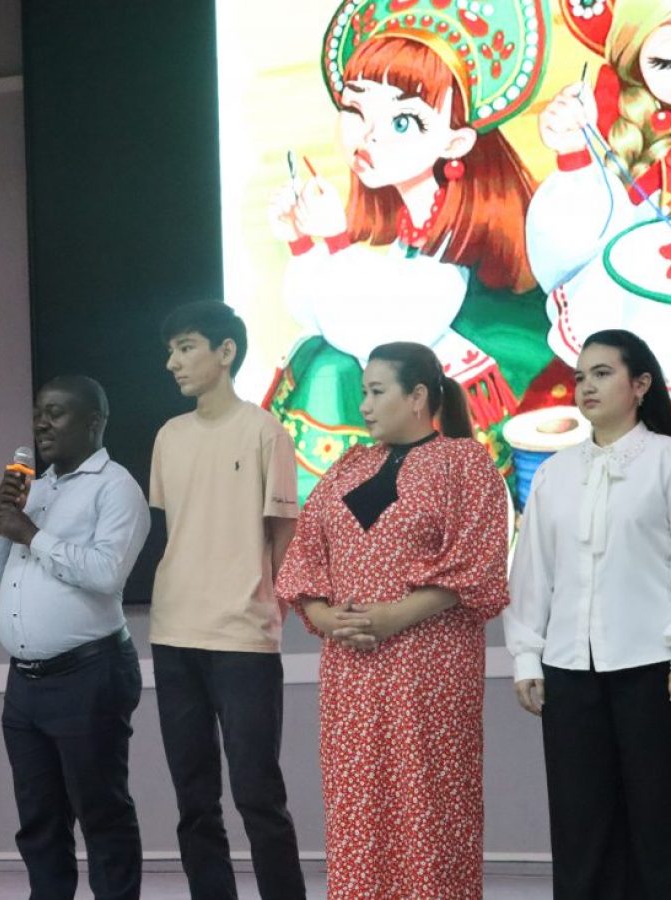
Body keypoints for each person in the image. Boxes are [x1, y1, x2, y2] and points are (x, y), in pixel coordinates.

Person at [268, 0, 569, 504]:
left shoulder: (458, 229)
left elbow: (388, 333)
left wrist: (335, 243)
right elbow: (333, 316)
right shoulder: (407, 214)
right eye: (355, 110)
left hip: (484, 353)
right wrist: (302, 242)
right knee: (323, 359)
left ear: (456, 142)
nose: (368, 136)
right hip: (411, 343)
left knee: (333, 373)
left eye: (403, 121)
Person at [276, 341, 510, 899]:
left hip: (431, 667)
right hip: (352, 671)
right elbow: (304, 559)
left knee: (429, 799)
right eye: (363, 392)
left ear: (418, 396)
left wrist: (392, 617)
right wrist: (326, 617)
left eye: (377, 391)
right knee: (358, 798)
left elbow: (479, 564)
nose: (364, 405)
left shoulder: (465, 463)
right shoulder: (347, 467)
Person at [504, 329, 671, 898]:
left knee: (658, 823)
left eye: (602, 373)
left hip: (653, 668)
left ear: (640, 384)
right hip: (570, 672)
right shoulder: (555, 472)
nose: (585, 387)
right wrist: (527, 657)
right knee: (580, 825)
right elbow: (533, 571)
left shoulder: (664, 461)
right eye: (580, 377)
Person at [150, 301, 306, 900]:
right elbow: (174, 529)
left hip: (244, 637)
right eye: (170, 351)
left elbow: (284, 537)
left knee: (258, 795)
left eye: (186, 347)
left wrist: (271, 609)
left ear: (226, 352)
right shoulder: (169, 436)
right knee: (194, 800)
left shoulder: (265, 431)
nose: (173, 362)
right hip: (173, 634)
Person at [0, 375, 149, 900]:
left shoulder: (116, 487)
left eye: (56, 413)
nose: (42, 423)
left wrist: (32, 534)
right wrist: (3, 517)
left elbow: (106, 574)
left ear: (94, 422)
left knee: (101, 814)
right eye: (38, 412)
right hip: (24, 685)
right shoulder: (37, 488)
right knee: (39, 820)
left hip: (89, 675)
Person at [527, 0, 671, 381]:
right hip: (636, 304)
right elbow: (567, 253)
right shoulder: (607, 115)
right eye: (665, 64)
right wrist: (574, 154)